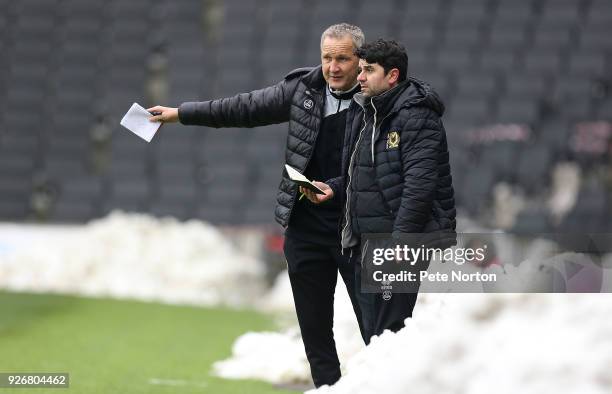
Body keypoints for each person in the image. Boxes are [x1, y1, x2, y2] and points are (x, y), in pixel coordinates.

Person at [147, 23, 366, 387]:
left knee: (378, 330)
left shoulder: (379, 100)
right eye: (327, 58)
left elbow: (383, 169)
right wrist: (181, 113)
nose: (333, 67)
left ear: (360, 61)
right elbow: (243, 108)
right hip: (306, 228)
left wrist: (338, 189)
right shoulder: (303, 90)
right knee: (316, 336)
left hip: (357, 231)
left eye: (342, 58)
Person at [301, 39, 456, 343]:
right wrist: (332, 188)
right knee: (376, 338)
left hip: (396, 245)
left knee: (390, 337)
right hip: (367, 245)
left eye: (368, 70)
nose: (359, 77)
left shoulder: (417, 116)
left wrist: (400, 242)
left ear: (393, 76)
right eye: (360, 69)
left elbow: (419, 186)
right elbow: (365, 176)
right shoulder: (369, 113)